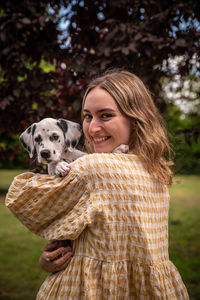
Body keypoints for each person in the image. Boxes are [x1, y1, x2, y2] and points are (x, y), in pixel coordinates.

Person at [6, 70, 189, 299]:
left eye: (105, 116)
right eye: (87, 116)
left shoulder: (94, 169)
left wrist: (47, 261)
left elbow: (23, 201)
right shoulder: (155, 170)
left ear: (135, 118)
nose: (92, 128)